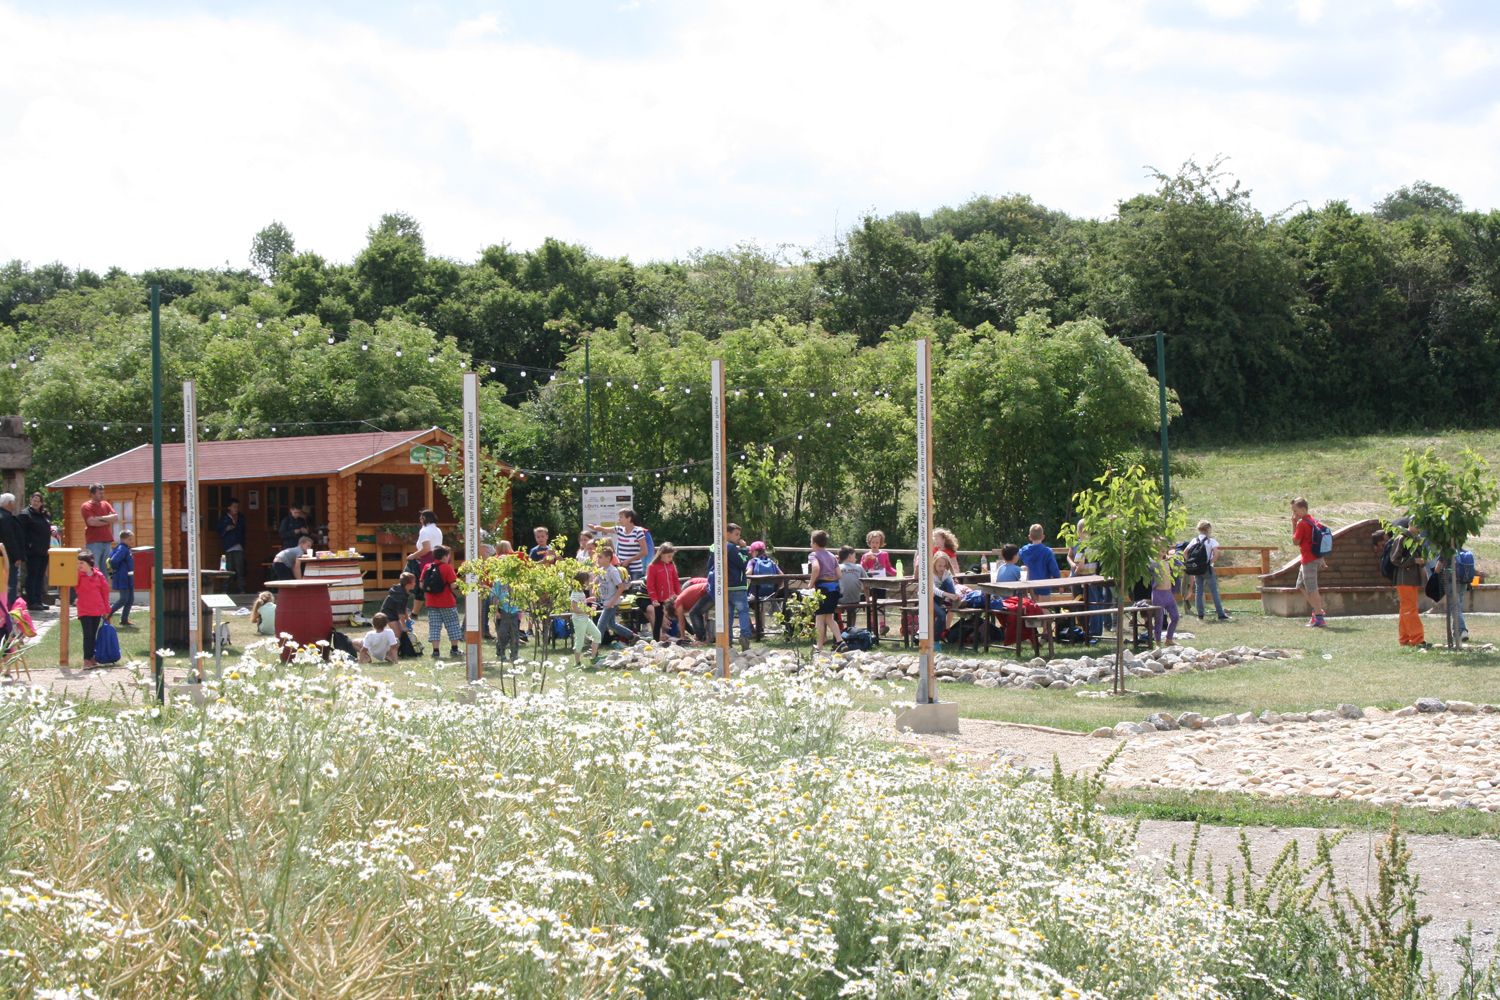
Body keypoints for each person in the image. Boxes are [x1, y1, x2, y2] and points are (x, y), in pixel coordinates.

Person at [1381, 521, 1428, 648]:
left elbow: (1420, 559)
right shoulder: (1401, 538)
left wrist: (1422, 560)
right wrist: (1414, 561)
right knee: (1410, 609)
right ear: (1411, 524)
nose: (1420, 528)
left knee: (1405, 609)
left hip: (1412, 579)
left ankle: (1405, 639)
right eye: (1418, 525)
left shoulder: (1416, 540)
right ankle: (1417, 639)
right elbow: (1394, 558)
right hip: (1404, 579)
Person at [1290, 498, 1327, 628]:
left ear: (1303, 509)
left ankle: (1319, 618)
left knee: (1312, 588)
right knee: (1300, 585)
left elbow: (1295, 541)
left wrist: (1293, 524)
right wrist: (1322, 559)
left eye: (1295, 510)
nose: (1294, 513)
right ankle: (1317, 610)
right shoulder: (1313, 521)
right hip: (1310, 558)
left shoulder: (1302, 523)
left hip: (1309, 560)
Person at [422, 545, 462, 659]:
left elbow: (421, 584)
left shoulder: (427, 567)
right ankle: (454, 649)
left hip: (431, 602)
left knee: (434, 626)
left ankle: (435, 651)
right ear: (445, 556)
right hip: (447, 602)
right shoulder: (447, 567)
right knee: (452, 624)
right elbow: (453, 585)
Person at [593, 542, 637, 645]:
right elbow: (594, 583)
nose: (597, 559)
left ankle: (594, 647)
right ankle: (632, 636)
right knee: (611, 625)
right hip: (606, 601)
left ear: (608, 558)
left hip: (612, 602)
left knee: (601, 623)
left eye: (600, 557)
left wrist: (612, 602)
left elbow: (621, 587)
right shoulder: (601, 570)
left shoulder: (613, 571)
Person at [1187, 520, 1230, 622]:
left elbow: (1185, 552)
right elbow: (1216, 554)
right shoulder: (1211, 541)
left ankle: (1200, 615)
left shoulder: (1194, 540)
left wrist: (1192, 564)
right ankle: (1220, 614)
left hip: (1197, 569)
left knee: (1199, 591)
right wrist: (1209, 563)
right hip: (1207, 569)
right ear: (1208, 529)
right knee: (1214, 591)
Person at [589, 509, 649, 581]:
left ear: (629, 518)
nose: (619, 520)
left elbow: (644, 551)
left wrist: (629, 560)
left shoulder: (638, 531)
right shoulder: (619, 529)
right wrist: (595, 528)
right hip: (621, 569)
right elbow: (604, 529)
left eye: (621, 517)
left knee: (634, 590)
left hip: (635, 570)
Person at [75, 550, 111, 669]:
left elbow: (105, 593)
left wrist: (106, 610)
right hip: (84, 610)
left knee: (94, 634)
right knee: (88, 634)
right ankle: (86, 659)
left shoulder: (99, 576)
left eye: (82, 563)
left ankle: (92, 657)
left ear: (89, 563)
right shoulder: (78, 576)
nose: (79, 566)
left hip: (97, 610)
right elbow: (73, 584)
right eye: (78, 563)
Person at [807, 530, 841, 651]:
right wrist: (831, 579)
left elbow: (816, 568)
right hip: (835, 589)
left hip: (823, 589)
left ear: (814, 543)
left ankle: (819, 646)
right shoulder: (832, 556)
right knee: (829, 618)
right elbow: (839, 574)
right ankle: (840, 641)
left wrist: (811, 583)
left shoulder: (813, 555)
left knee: (819, 618)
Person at [18, 492, 52, 608]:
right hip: (32, 551)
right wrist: (27, 546)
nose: (36, 502)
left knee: (40, 576)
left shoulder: (44, 514)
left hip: (44, 550)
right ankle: (32, 601)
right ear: (30, 501)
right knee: (32, 576)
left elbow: (46, 527)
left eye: (38, 501)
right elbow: (21, 533)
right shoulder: (25, 514)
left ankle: (39, 600)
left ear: (41, 503)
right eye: (34, 500)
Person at [645, 542, 684, 642]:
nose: (671, 559)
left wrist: (679, 595)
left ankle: (691, 635)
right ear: (661, 554)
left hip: (671, 598)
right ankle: (656, 641)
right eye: (669, 556)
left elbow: (675, 581)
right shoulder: (652, 566)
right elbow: (650, 585)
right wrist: (654, 599)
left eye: (672, 556)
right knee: (658, 620)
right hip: (659, 600)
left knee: (679, 616)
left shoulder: (671, 565)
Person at [722, 523, 753, 652]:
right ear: (727, 533)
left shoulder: (719, 548)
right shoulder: (731, 548)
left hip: (725, 587)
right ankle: (744, 638)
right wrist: (745, 549)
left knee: (728, 616)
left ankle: (728, 641)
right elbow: (743, 563)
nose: (739, 537)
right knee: (743, 612)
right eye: (736, 534)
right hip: (738, 587)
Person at [80, 483, 119, 571]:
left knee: (107, 569)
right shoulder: (86, 506)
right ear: (92, 494)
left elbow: (115, 517)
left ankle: (104, 585)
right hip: (94, 542)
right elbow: (91, 522)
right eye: (100, 493)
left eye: (103, 493)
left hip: (107, 541)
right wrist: (107, 519)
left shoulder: (105, 504)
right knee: (94, 568)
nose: (102, 495)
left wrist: (98, 518)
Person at [569, 570, 603, 666]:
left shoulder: (580, 591)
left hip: (584, 619)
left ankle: (593, 658)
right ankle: (577, 663)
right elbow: (574, 608)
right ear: (582, 581)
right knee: (579, 641)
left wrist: (587, 600)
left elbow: (580, 603)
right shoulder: (576, 592)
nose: (589, 582)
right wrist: (588, 611)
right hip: (579, 620)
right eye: (588, 580)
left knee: (597, 635)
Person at [1018, 524, 1061, 595]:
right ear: (1043, 537)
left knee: (1030, 605)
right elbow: (1054, 570)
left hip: (1029, 587)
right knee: (1045, 606)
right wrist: (1059, 582)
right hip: (1044, 587)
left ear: (1029, 537)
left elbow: (1015, 555)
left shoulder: (1024, 550)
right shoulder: (1048, 552)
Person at [1150, 547, 1180, 645]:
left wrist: (1173, 556)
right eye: (1160, 548)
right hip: (1158, 593)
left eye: (1164, 548)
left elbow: (1181, 565)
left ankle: (1169, 639)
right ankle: (1158, 641)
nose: (1162, 550)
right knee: (1159, 620)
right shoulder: (1153, 563)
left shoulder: (1168, 561)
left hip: (1168, 593)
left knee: (1175, 617)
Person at [216, 499, 247, 593]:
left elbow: (244, 530)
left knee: (240, 568)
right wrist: (226, 529)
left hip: (239, 545)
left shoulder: (241, 517)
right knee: (228, 569)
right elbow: (218, 530)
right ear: (229, 507)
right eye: (234, 506)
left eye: (237, 506)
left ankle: (242, 590)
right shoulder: (224, 518)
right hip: (228, 546)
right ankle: (225, 590)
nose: (236, 508)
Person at [491, 569, 521, 663]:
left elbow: (520, 596)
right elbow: (495, 596)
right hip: (503, 610)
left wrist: (521, 610)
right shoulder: (498, 581)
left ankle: (514, 654)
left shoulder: (516, 580)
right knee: (502, 634)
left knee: (514, 634)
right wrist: (496, 611)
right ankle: (501, 653)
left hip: (514, 611)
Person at [0, 493, 24, 604]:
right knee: (10, 584)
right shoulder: (7, 518)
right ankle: (8, 610)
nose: (14, 504)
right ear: (9, 503)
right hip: (7, 557)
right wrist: (17, 556)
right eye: (14, 502)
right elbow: (10, 540)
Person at [108, 529, 135, 626]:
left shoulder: (126, 548)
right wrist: (118, 570)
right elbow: (114, 561)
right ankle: (108, 614)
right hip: (122, 577)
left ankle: (124, 619)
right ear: (124, 539)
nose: (132, 541)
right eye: (130, 539)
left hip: (128, 577)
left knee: (130, 599)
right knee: (124, 598)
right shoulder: (122, 548)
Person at [380, 572, 416, 636]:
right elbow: (400, 613)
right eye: (414, 582)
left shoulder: (404, 590)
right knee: (398, 633)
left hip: (394, 613)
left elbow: (403, 607)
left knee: (399, 633)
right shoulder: (400, 595)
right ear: (408, 584)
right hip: (388, 613)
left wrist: (408, 619)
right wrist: (404, 626)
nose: (415, 584)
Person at [677, 576, 710, 643]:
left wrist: (682, 636)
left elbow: (681, 620)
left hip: (692, 585)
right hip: (696, 586)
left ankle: (701, 637)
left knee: (693, 613)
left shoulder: (677, 602)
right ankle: (699, 635)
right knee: (695, 611)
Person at [837, 545, 867, 616]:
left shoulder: (837, 567)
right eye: (854, 556)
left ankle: (838, 624)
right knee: (852, 610)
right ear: (850, 556)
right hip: (855, 600)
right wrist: (867, 598)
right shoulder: (859, 567)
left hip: (840, 600)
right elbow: (867, 583)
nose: (856, 559)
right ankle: (852, 626)